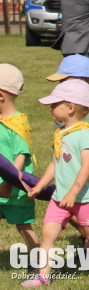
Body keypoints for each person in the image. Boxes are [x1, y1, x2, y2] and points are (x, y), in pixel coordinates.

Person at [24, 80, 89, 287]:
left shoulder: (85, 135)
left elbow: (87, 167)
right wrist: (39, 186)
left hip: (83, 198)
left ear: (70, 108)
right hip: (59, 198)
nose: (51, 108)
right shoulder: (61, 133)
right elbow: (55, 164)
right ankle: (43, 275)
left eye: (55, 104)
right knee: (48, 235)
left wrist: (73, 193)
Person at [0, 65, 39, 249]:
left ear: (1, 96)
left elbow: (20, 157)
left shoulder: (18, 123)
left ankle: (38, 262)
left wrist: (9, 181)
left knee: (23, 226)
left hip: (14, 189)